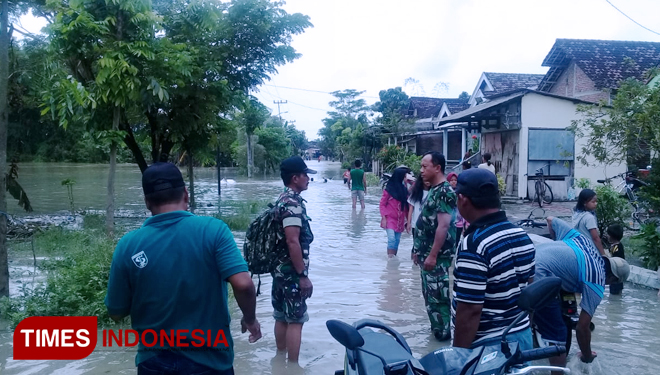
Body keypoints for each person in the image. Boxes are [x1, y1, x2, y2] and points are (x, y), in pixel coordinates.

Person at [105, 162, 261, 375]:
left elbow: (116, 311)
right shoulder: (213, 230)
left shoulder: (128, 245)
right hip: (211, 361)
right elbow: (243, 284)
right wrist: (250, 318)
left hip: (154, 362)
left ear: (147, 202)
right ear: (186, 194)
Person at [452, 168, 535, 350]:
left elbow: (470, 311)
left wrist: (458, 356)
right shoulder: (522, 235)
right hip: (522, 337)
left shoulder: (474, 245)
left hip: (489, 347)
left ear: (463, 199)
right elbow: (528, 283)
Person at [533, 217, 630, 373]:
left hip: (527, 258)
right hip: (539, 275)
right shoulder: (597, 280)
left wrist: (556, 247)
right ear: (613, 278)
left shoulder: (584, 242)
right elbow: (582, 327)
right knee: (558, 335)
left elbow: (551, 220)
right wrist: (586, 355)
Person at [272, 156, 316, 363]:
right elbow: (292, 241)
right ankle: (293, 366)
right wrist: (302, 276)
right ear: (295, 178)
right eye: (305, 175)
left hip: (279, 272)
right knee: (296, 320)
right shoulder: (292, 203)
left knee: (281, 316)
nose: (308, 178)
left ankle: (280, 361)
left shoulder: (281, 199)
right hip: (292, 274)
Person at [412, 151, 457, 341]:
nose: (421, 170)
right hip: (427, 255)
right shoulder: (434, 189)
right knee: (430, 297)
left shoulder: (445, 191)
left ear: (437, 168)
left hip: (436, 258)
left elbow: (443, 225)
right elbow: (427, 223)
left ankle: (444, 335)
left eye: (425, 166)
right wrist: (417, 251)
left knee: (438, 297)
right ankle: (436, 333)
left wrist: (432, 255)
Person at [380, 167, 411, 258]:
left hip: (400, 220)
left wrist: (408, 222)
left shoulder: (404, 190)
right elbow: (382, 204)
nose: (406, 179)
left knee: (397, 241)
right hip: (389, 219)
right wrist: (384, 218)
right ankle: (390, 259)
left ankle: (393, 260)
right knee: (392, 239)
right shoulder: (388, 190)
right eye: (404, 177)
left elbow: (407, 207)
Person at [572, 189, 606, 256]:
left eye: (596, 201)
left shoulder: (576, 214)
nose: (596, 204)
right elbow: (595, 238)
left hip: (579, 246)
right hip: (590, 249)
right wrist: (603, 254)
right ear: (584, 202)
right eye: (593, 202)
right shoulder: (589, 217)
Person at [446, 172, 468, 242]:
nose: (453, 182)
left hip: (459, 223)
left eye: (455, 180)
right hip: (448, 223)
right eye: (451, 180)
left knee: (457, 241)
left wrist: (465, 223)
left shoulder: (461, 193)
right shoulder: (445, 193)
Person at [607, 223, 625, 295]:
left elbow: (616, 260)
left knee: (615, 293)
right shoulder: (615, 246)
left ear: (612, 236)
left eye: (608, 234)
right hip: (616, 275)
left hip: (616, 275)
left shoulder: (616, 248)